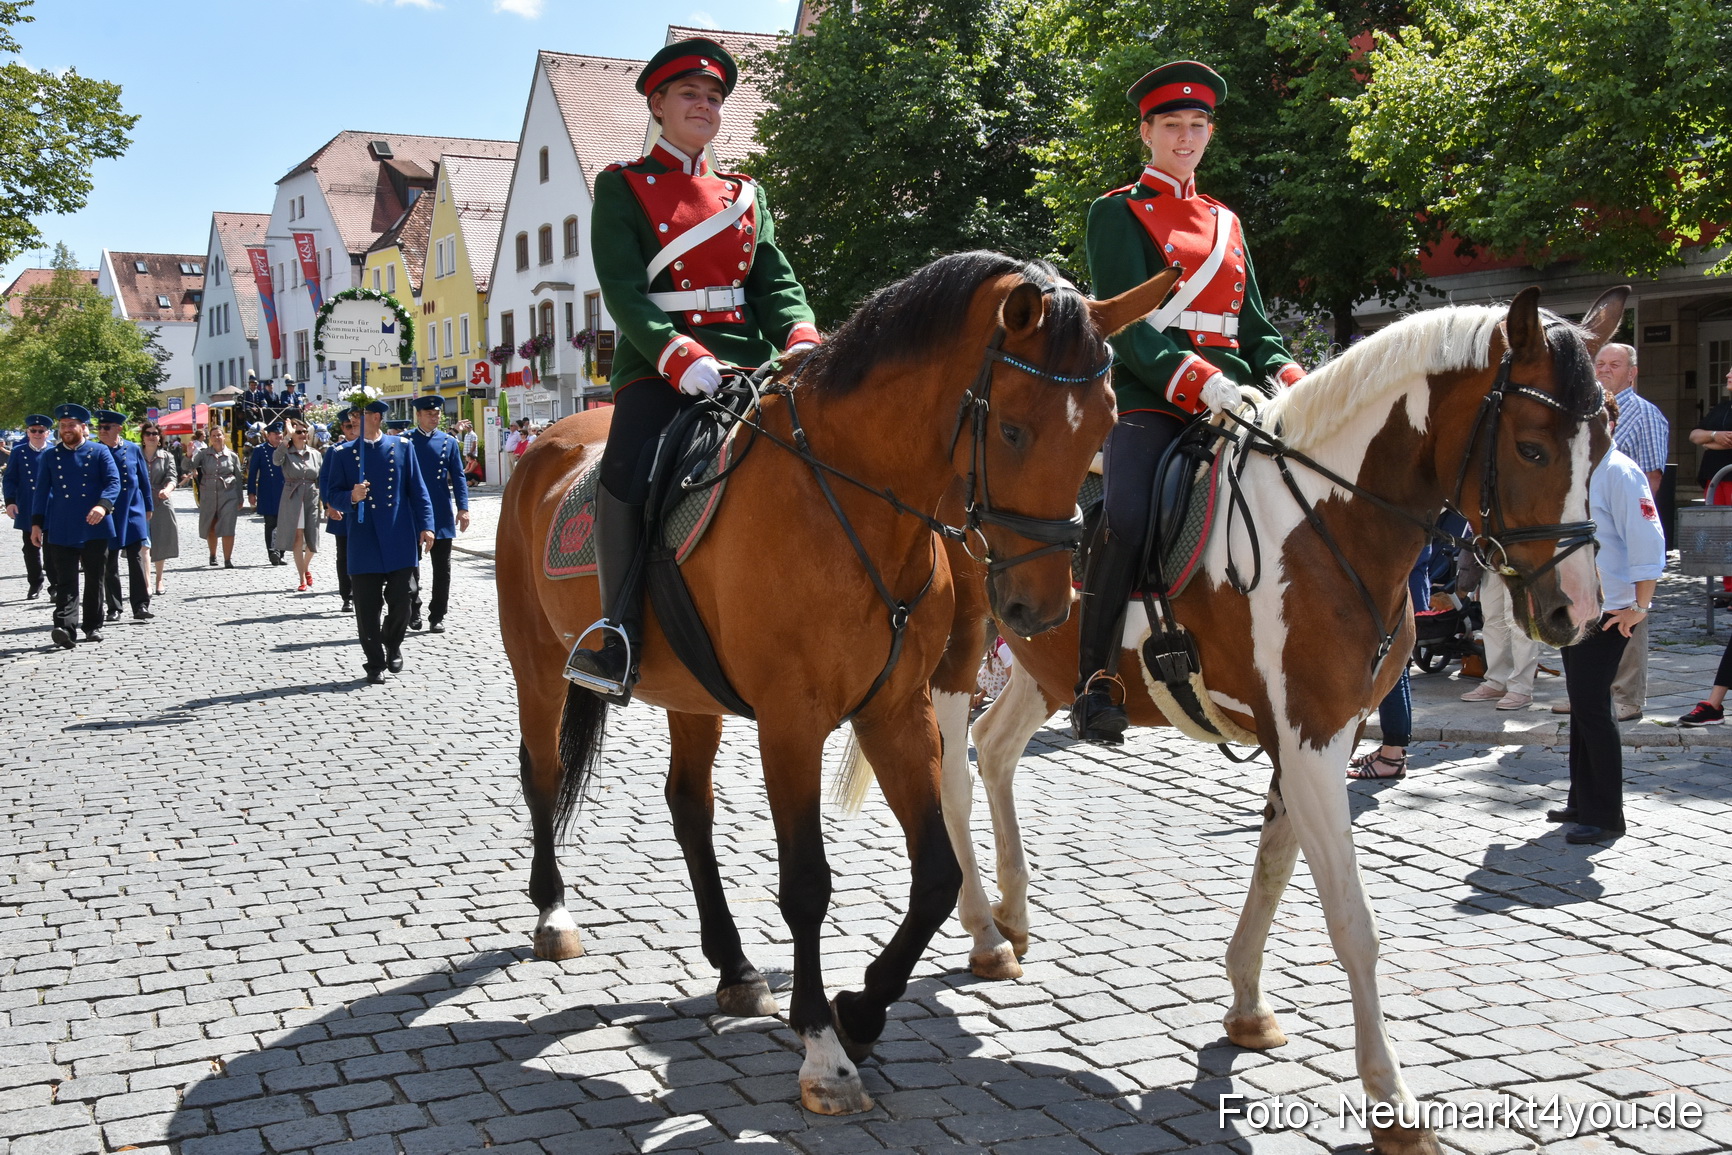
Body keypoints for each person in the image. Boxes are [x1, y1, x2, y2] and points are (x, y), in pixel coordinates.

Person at [565, 37, 821, 700]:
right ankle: (616, 631)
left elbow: (775, 283)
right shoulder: (621, 186)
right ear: (658, 104)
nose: (704, 105)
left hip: (747, 362)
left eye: (713, 97)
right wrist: (679, 355)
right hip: (660, 366)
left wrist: (799, 336)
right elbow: (622, 288)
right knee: (624, 470)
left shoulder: (745, 195)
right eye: (690, 94)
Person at [1071, 60, 1307, 743]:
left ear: (1210, 133)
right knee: (1129, 514)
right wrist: (1199, 380)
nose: (1185, 136)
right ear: (1145, 131)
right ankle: (1095, 681)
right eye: (1171, 124)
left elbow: (1257, 327)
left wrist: (1293, 379)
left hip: (1241, 396)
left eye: (1197, 125)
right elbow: (1126, 323)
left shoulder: (1227, 222)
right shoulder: (1115, 212)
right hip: (1156, 397)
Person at [1549, 396, 1666, 844]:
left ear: (1610, 422)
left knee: (1594, 707)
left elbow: (1648, 541)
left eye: (1592, 419)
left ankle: (1605, 815)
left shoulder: (1620, 471)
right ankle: (1582, 800)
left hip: (1610, 610)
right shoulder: (1579, 471)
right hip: (1578, 604)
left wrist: (1640, 606)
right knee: (1583, 704)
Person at [323, 400, 434, 682]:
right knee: (366, 607)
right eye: (350, 416)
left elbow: (418, 490)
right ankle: (374, 662)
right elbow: (331, 493)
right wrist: (351, 496)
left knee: (402, 601)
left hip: (398, 535)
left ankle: (393, 643)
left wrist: (427, 526)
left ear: (376, 417)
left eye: (358, 415)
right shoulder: (342, 453)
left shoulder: (402, 448)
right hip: (364, 538)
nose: (352, 420)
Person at [30, 404, 119, 649]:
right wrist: (36, 525)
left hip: (95, 525)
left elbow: (114, 482)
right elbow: (41, 492)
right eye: (63, 426)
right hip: (62, 525)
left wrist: (103, 506)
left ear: (83, 427)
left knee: (94, 578)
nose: (66, 430)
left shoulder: (99, 452)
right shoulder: (50, 456)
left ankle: (92, 626)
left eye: (71, 425)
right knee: (65, 580)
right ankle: (64, 628)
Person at [407, 397, 470, 633]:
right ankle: (413, 608)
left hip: (440, 512)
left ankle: (437, 615)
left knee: (442, 568)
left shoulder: (448, 442)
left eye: (437, 414)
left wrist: (463, 508)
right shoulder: (405, 441)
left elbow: (459, 476)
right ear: (419, 415)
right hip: (411, 512)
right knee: (410, 567)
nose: (434, 417)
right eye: (429, 413)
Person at [93, 410, 154, 622]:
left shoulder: (132, 449)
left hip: (133, 510)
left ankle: (140, 605)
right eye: (99, 428)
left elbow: (143, 479)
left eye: (106, 427)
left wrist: (148, 505)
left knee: (136, 558)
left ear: (118, 428)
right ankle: (114, 607)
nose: (102, 431)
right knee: (109, 561)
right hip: (108, 512)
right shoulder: (95, 451)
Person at [3, 413, 52, 599]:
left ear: (47, 433)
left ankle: (55, 584)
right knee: (30, 548)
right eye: (33, 431)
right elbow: (10, 479)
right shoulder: (19, 451)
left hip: (51, 505)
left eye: (41, 431)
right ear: (28, 432)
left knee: (52, 548)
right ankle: (35, 582)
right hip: (28, 505)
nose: (37, 434)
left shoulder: (54, 451)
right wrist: (10, 502)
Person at [274, 415, 324, 591]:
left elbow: (321, 479)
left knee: (312, 539)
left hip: (311, 497)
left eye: (304, 431)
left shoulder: (316, 454)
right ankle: (302, 577)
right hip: (292, 498)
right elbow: (275, 460)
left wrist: (326, 501)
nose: (303, 434)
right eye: (298, 432)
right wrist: (286, 437)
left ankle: (305, 566)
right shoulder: (285, 453)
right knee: (297, 537)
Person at [320, 408, 359, 613]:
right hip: (342, 510)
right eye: (348, 426)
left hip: (364, 511)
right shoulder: (336, 451)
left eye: (355, 425)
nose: (352, 430)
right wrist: (329, 504)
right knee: (343, 555)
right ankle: (348, 596)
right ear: (342, 429)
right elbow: (325, 480)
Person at [139, 421, 182, 595]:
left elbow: (173, 477)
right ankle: (147, 583)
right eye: (148, 433)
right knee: (144, 544)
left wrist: (168, 489)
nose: (151, 436)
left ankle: (159, 580)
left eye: (154, 434)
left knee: (161, 541)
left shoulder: (167, 456)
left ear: (159, 438)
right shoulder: (136, 455)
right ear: (142, 437)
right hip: (140, 502)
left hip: (161, 502)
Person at [192, 434, 243, 567]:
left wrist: (240, 497)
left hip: (228, 494)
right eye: (213, 435)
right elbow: (188, 466)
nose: (216, 437)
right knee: (212, 525)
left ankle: (227, 559)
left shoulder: (232, 456)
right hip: (209, 494)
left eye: (219, 435)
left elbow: (238, 477)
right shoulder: (203, 454)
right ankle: (213, 555)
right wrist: (188, 455)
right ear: (210, 439)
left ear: (223, 437)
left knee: (228, 526)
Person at [247, 421, 287, 566]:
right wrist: (251, 492)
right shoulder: (260, 450)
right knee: (270, 523)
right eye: (275, 434)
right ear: (268, 435)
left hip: (285, 492)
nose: (278, 436)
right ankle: (272, 552)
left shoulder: (286, 449)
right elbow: (252, 473)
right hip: (267, 492)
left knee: (283, 524)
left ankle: (281, 553)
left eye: (280, 433)